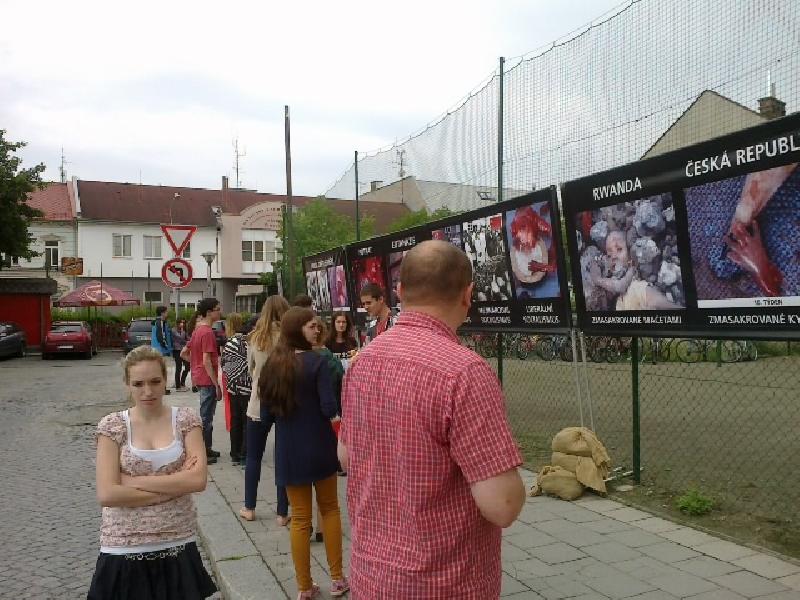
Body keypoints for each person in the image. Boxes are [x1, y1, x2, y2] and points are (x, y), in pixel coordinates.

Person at [339, 240, 525, 599]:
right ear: (468, 295)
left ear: (399, 291)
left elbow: (346, 457)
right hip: (444, 585)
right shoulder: (465, 373)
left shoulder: (363, 362)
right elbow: (502, 505)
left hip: (371, 578)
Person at [88, 345, 216, 600]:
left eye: (155, 382)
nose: (148, 391)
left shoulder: (185, 420)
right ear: (127, 385)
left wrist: (130, 481)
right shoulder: (113, 426)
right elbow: (108, 494)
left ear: (165, 380)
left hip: (177, 539)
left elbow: (197, 480)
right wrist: (174, 488)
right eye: (138, 384)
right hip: (123, 544)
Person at [260, 307, 348, 600]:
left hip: (289, 448)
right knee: (330, 509)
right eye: (311, 326)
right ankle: (337, 579)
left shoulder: (274, 364)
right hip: (320, 444)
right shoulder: (317, 362)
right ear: (296, 329)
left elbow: (266, 414)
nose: (317, 329)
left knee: (299, 518)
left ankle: (304, 586)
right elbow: (328, 407)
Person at [241, 295, 291, 525]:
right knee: (283, 456)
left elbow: (250, 369)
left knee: (253, 456)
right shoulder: (291, 337)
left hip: (259, 401)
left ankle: (249, 507)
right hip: (285, 401)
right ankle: (282, 512)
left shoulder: (255, 337)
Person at [187, 297, 222, 464]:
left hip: (200, 377)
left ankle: (207, 448)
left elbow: (185, 353)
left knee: (206, 416)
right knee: (206, 418)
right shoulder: (207, 332)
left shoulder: (197, 330)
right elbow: (206, 360)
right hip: (207, 380)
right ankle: (203, 452)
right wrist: (216, 384)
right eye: (217, 309)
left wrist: (195, 367)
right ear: (209, 312)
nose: (220, 312)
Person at [221, 313, 249, 465]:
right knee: (246, 422)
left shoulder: (229, 343)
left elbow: (224, 365)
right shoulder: (247, 341)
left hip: (233, 387)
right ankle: (244, 454)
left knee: (235, 420)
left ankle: (235, 453)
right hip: (247, 387)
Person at [150, 306, 173, 394]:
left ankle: (162, 388)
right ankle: (162, 389)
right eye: (166, 312)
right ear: (162, 313)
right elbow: (161, 336)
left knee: (159, 369)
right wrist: (166, 347)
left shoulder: (157, 322)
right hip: (160, 349)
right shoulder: (160, 323)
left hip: (157, 349)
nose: (167, 313)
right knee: (161, 370)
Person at [171, 318, 190, 391]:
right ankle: (178, 386)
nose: (183, 324)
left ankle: (182, 382)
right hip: (177, 350)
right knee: (178, 368)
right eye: (181, 322)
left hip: (184, 350)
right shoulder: (173, 330)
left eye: (184, 322)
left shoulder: (184, 330)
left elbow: (187, 338)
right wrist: (182, 332)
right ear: (178, 323)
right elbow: (180, 339)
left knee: (187, 367)